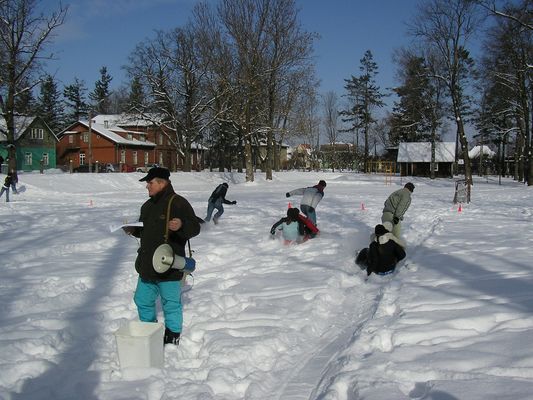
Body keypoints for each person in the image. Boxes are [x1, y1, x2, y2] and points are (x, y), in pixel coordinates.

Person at [123, 167, 201, 346]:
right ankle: (150, 331)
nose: (147, 187)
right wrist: (134, 230)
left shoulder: (178, 203)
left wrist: (181, 224)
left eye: (150, 183)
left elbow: (195, 227)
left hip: (168, 266)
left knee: (171, 304)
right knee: (142, 300)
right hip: (147, 265)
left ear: (162, 183)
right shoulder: (147, 206)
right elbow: (146, 231)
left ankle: (172, 337)